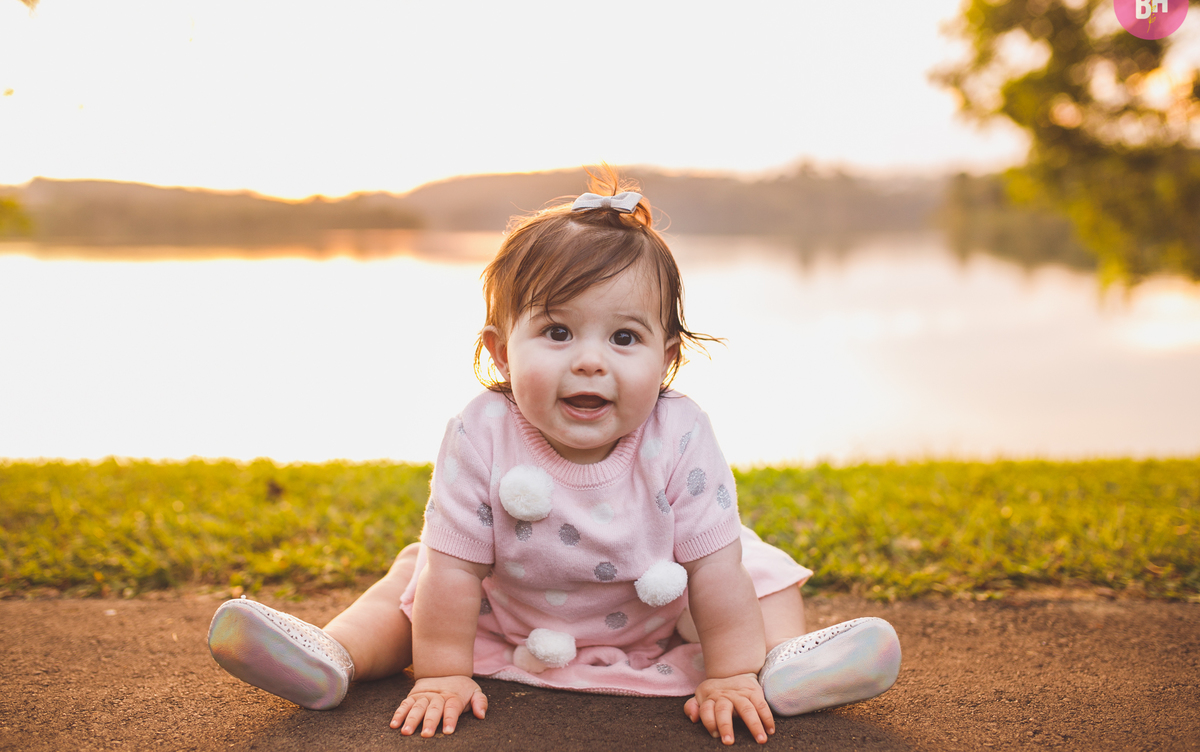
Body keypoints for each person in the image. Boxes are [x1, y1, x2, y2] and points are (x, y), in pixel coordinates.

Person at [207, 168, 901, 745]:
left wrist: (727, 671)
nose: (591, 362)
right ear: (502, 352)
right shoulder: (481, 432)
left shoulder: (679, 434)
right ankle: (336, 655)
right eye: (559, 331)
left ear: (667, 360)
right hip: (508, 607)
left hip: (655, 602)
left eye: (624, 339)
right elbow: (455, 571)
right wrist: (444, 670)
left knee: (754, 575)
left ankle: (779, 667)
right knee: (413, 582)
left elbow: (715, 572)